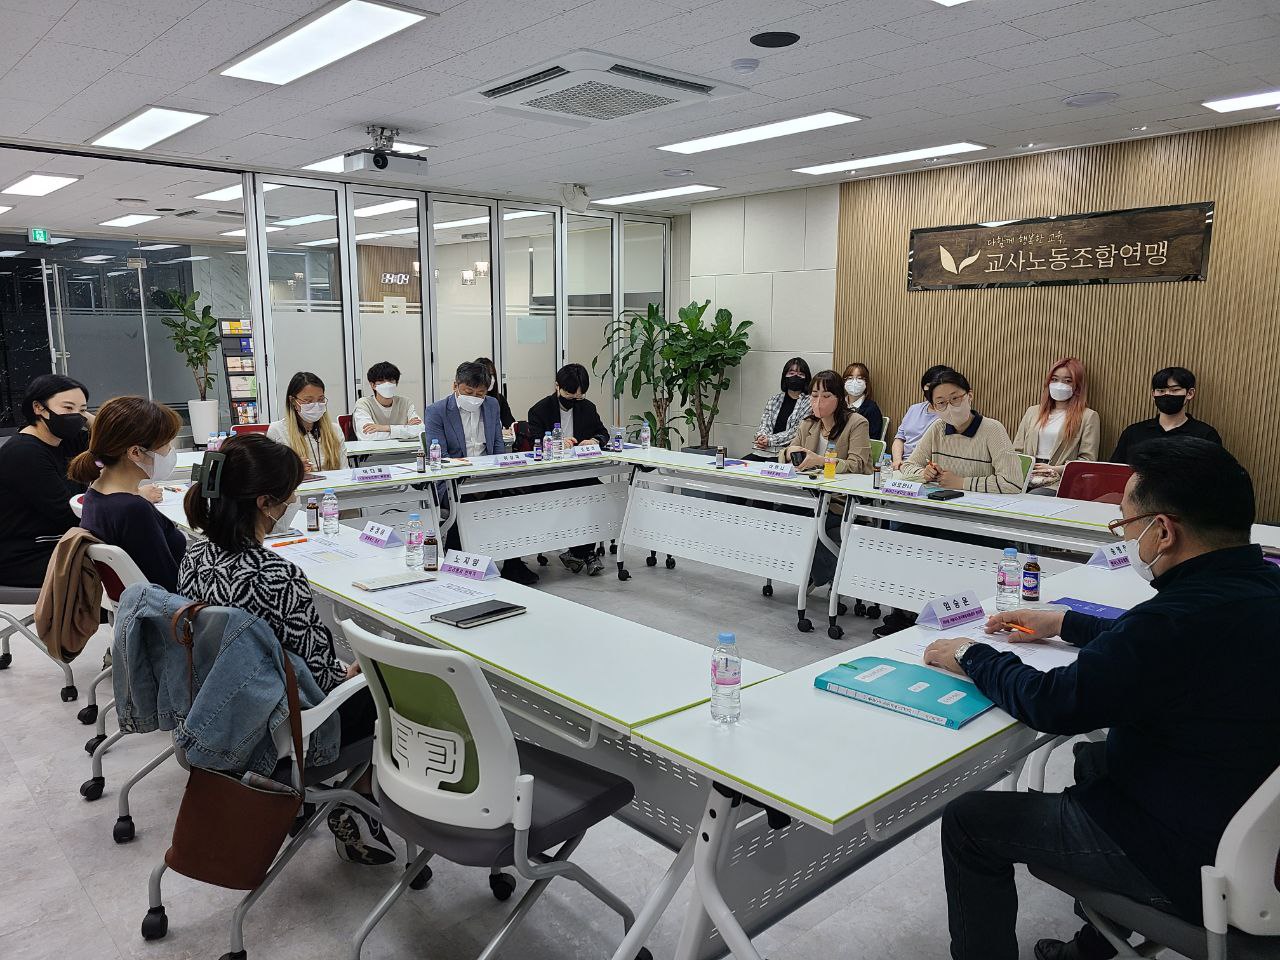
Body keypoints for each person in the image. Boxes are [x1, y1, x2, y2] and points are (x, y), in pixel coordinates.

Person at [923, 438, 1280, 960]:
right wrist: (1066, 622)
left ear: (1163, 531)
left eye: (1125, 525)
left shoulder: (1169, 623)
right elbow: (1166, 644)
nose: (1126, 538)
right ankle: (1092, 947)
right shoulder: (1260, 587)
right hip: (1250, 821)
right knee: (1094, 760)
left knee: (969, 821)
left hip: (1190, 855)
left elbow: (1052, 703)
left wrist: (972, 655)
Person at [180, 433, 394, 866]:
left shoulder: (195, 555)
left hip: (217, 706)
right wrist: (357, 671)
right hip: (281, 727)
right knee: (384, 689)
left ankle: (344, 800)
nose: (293, 501)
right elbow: (325, 678)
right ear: (264, 502)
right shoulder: (277, 575)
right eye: (289, 495)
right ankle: (358, 798)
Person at [423, 362, 538, 585]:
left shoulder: (492, 405)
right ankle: (457, 562)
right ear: (455, 386)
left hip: (488, 476)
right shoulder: (436, 411)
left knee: (515, 498)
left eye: (480, 394)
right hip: (453, 481)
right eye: (469, 392)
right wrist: (469, 472)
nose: (475, 398)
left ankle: (513, 562)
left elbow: (498, 446)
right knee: (465, 502)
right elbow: (440, 457)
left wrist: (497, 475)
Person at [72, 397, 186, 590]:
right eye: (167, 444)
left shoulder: (95, 492)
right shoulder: (133, 510)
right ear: (135, 452)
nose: (170, 451)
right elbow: (168, 584)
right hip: (170, 604)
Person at [0, 374, 98, 587]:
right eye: (68, 408)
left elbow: (117, 440)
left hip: (57, 542)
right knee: (119, 562)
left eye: (82, 410)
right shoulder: (24, 453)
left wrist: (87, 417)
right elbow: (67, 514)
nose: (76, 416)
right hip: (24, 556)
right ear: (38, 407)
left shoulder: (65, 441)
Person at [781, 369, 873, 589]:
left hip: (840, 502)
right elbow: (786, 453)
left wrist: (821, 461)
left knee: (805, 525)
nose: (818, 402)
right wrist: (789, 452)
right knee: (780, 517)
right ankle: (824, 572)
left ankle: (834, 574)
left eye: (826, 396)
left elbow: (857, 465)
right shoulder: (808, 424)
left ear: (839, 398)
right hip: (810, 497)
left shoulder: (856, 423)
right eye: (814, 396)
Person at [527, 363, 609, 576]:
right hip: (550, 477)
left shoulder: (587, 408)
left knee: (598, 493)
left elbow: (603, 433)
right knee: (574, 496)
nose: (573, 400)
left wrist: (594, 440)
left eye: (578, 397)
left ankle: (578, 552)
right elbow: (534, 441)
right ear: (557, 386)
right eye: (569, 395)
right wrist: (555, 444)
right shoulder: (539, 410)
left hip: (580, 473)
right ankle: (585, 553)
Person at [900, 369, 1024, 493]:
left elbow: (1012, 483)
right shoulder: (938, 428)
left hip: (980, 503)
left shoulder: (992, 429)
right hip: (943, 501)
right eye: (941, 403)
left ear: (969, 396)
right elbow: (908, 466)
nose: (949, 407)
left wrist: (962, 483)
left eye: (955, 398)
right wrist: (924, 474)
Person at [1012, 357, 1100, 493]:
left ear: (1077, 386)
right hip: (1026, 475)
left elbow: (1087, 461)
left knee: (1034, 496)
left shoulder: (1088, 416)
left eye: (1068, 381)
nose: (1059, 385)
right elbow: (1017, 450)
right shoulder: (1032, 411)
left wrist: (1054, 469)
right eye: (1054, 379)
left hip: (1058, 481)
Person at [1111, 366, 1222, 463]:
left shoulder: (1206, 435)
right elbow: (1115, 471)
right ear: (1153, 394)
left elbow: (1217, 475)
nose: (1167, 394)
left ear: (1190, 393)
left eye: (1175, 390)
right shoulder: (1133, 432)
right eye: (1161, 391)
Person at [267, 371, 347, 472]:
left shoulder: (334, 430)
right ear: (293, 401)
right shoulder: (277, 430)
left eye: (320, 399)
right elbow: (272, 473)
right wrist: (294, 469)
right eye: (308, 401)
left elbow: (345, 470)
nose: (316, 405)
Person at [746, 358, 812, 462]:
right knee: (739, 465)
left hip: (786, 454)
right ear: (784, 376)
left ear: (806, 378)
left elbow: (796, 431)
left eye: (800, 374)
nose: (795, 377)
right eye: (791, 373)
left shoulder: (809, 402)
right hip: (764, 450)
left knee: (767, 469)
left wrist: (770, 440)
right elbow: (764, 424)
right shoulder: (774, 400)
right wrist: (761, 437)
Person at [891, 364, 951, 472]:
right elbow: (900, 438)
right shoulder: (914, 409)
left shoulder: (951, 415)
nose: (930, 391)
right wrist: (897, 460)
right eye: (928, 386)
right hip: (902, 466)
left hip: (927, 470)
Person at [351, 361, 422, 439]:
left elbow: (421, 430)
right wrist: (405, 429)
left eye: (391, 380)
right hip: (374, 447)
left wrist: (385, 428)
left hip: (403, 447)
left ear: (396, 383)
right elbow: (367, 435)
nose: (387, 384)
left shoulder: (405, 403)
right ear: (373, 385)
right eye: (381, 381)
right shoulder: (364, 404)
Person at [841, 362, 883, 441]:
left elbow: (873, 439)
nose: (854, 382)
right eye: (850, 378)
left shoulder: (871, 408)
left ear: (866, 382)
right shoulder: (838, 404)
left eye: (859, 378)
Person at [475, 356, 515, 430]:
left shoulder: (499, 399)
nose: (491, 379)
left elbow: (509, 424)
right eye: (488, 375)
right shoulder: (470, 400)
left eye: (492, 375)